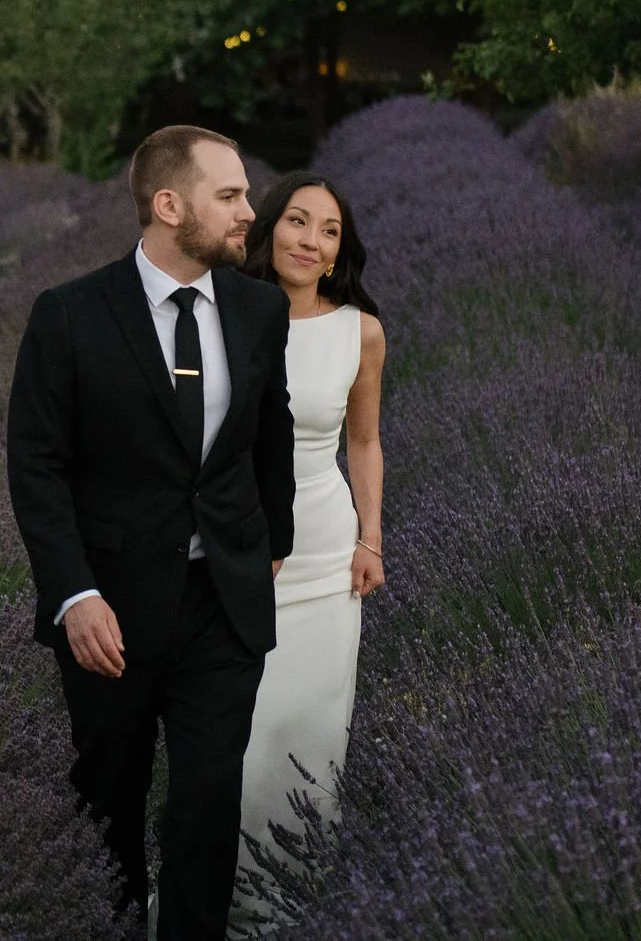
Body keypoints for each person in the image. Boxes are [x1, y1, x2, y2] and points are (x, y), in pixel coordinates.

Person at [7, 125, 297, 939]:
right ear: (169, 206)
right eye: (231, 196)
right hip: (112, 613)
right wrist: (74, 594)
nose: (251, 212)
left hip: (222, 606)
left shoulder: (258, 308)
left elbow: (268, 437)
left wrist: (269, 544)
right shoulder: (68, 316)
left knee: (207, 800)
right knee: (110, 802)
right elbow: (36, 467)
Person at [228, 171, 387, 933]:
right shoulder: (225, 309)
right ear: (270, 230)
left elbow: (363, 440)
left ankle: (290, 910)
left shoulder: (360, 330)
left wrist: (370, 540)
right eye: (297, 220)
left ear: (337, 254)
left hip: (324, 559)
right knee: (243, 733)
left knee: (311, 737)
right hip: (233, 549)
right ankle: (218, 900)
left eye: (328, 231)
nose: (310, 239)